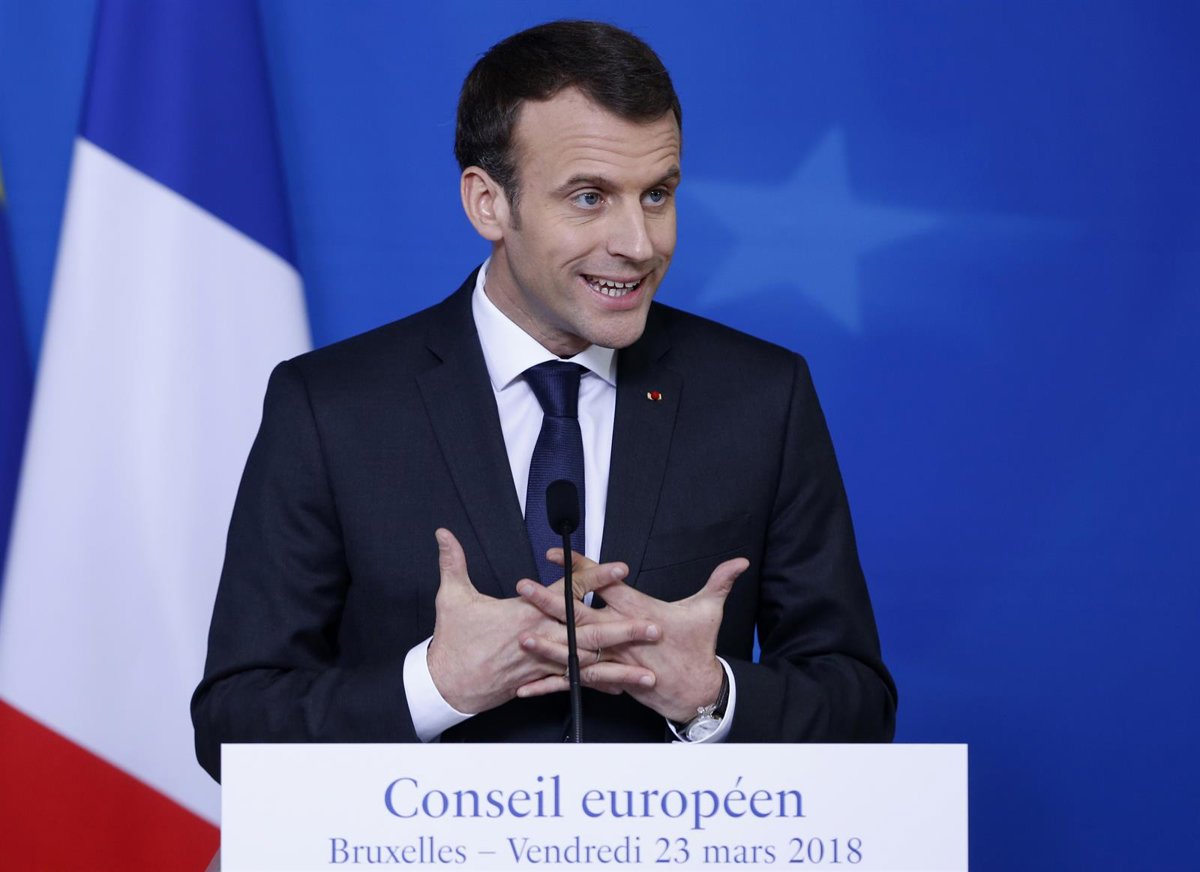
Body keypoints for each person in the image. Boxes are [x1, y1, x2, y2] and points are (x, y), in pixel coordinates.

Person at [192, 20, 896, 780]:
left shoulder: (761, 397)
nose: (639, 243)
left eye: (657, 194)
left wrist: (711, 695)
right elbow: (233, 727)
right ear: (488, 203)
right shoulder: (330, 406)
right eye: (590, 197)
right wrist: (436, 686)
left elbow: (859, 706)